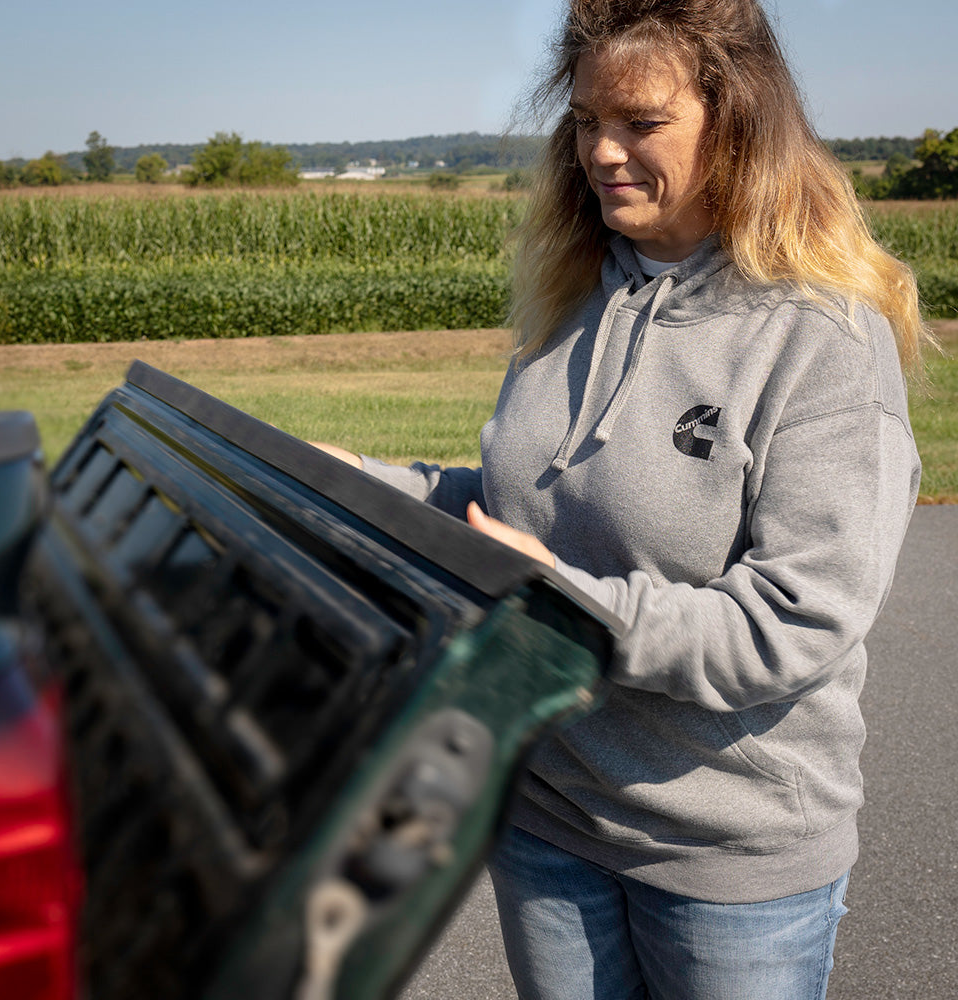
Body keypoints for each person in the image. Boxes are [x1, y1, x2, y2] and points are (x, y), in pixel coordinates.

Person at [313, 1, 936, 996]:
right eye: (585, 121)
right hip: (548, 820)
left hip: (727, 860)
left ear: (737, 123)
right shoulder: (579, 295)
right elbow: (515, 512)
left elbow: (792, 622)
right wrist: (357, 480)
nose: (601, 152)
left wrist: (564, 606)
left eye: (640, 122)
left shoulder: (821, 336)